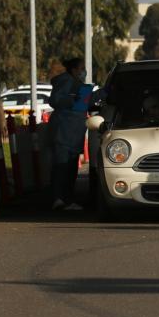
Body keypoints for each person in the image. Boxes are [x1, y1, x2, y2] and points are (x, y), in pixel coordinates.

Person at [46, 57, 88, 211]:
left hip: (73, 133)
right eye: (81, 68)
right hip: (64, 132)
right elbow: (55, 100)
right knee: (62, 167)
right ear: (74, 70)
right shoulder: (66, 82)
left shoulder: (77, 84)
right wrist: (72, 100)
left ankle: (66, 199)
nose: (84, 71)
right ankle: (60, 199)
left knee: (69, 168)